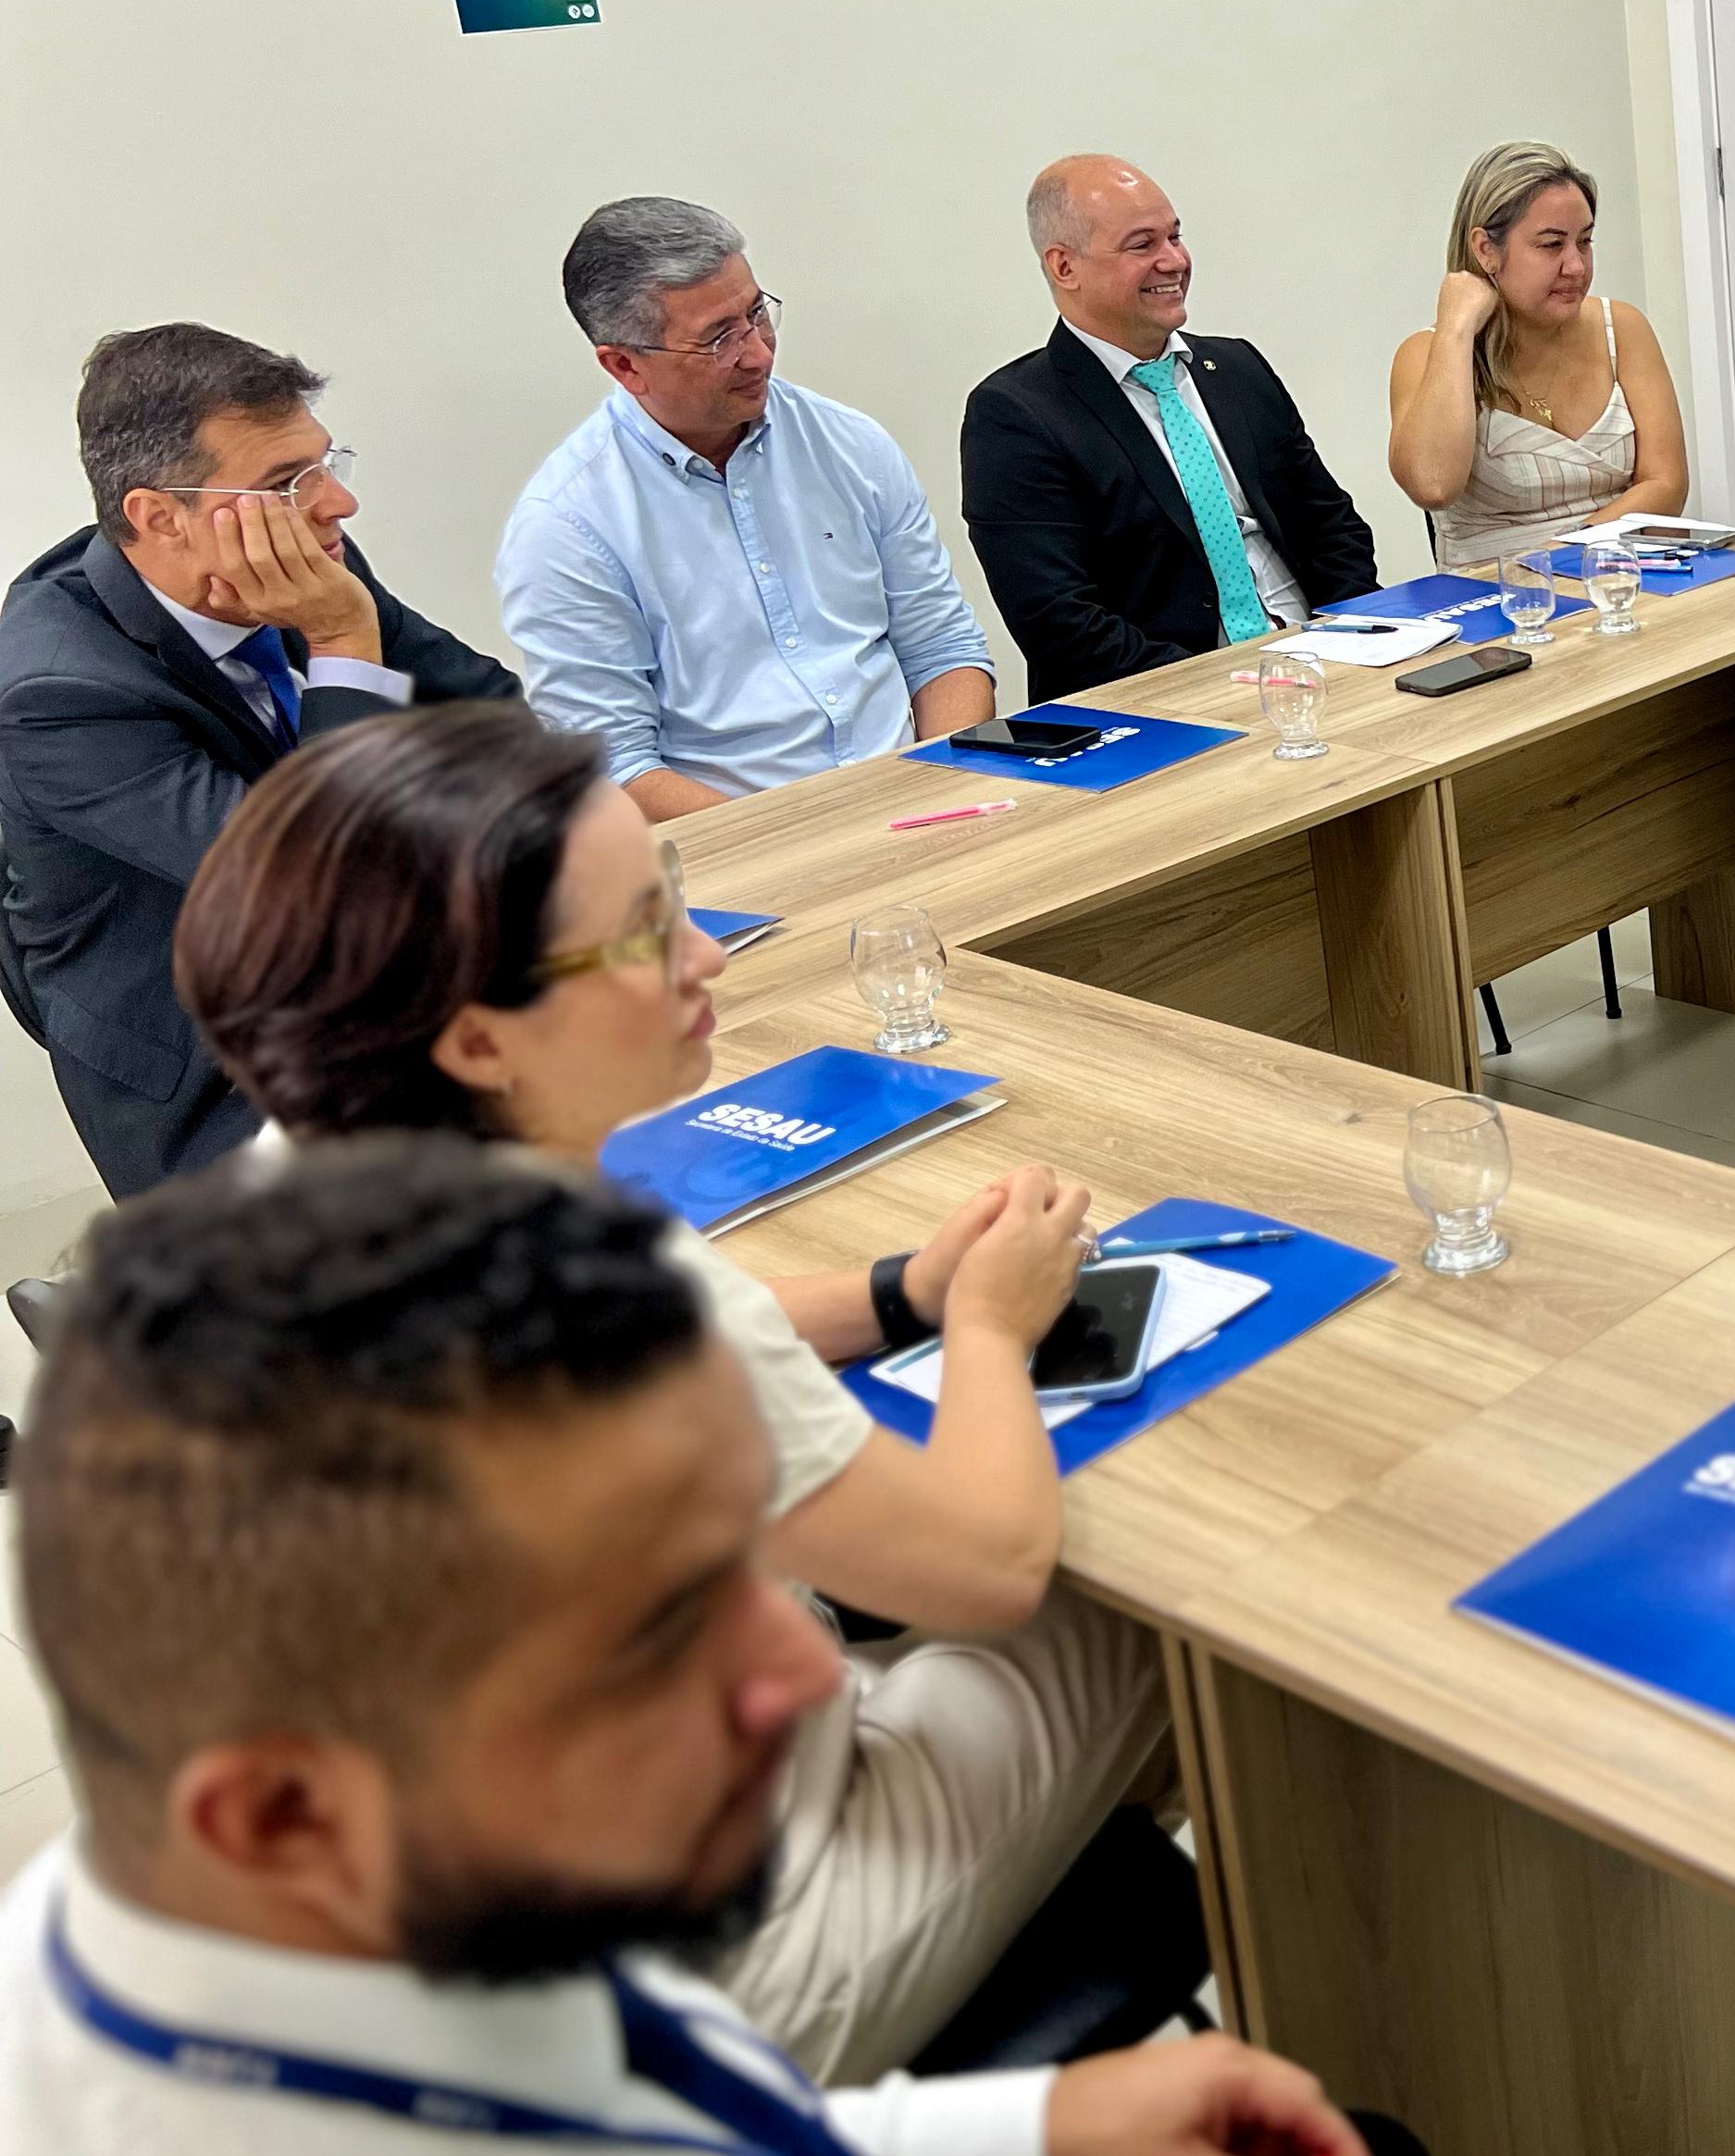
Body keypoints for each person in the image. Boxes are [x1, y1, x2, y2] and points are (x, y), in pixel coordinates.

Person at [0, 1138, 1451, 2156]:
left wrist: (1025, 2133)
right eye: (653, 1639)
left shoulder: (219, 1914)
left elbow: (614, 2119)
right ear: (281, 1811)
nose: (813, 1669)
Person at [174, 701, 1174, 2085]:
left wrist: (899, 1296)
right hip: (735, 1973)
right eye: (648, 935)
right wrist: (996, 1329)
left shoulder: (290, 1179)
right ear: (477, 1041)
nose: (706, 958)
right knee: (1176, 1619)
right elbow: (988, 1567)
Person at [0, 324, 516, 1196]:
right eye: (286, 483)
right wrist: (343, 642)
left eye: (325, 465)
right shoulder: (56, 693)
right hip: (232, 1087)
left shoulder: (295, 564)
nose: (336, 507)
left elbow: (503, 727)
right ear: (159, 517)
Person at [501, 197, 995, 815]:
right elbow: (619, 768)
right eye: (718, 339)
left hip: (919, 801)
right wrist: (798, 842)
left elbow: (942, 650)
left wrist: (939, 791)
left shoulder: (847, 443)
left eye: (756, 313)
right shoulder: (567, 527)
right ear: (624, 365)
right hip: (739, 852)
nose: (758, 352)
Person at [964, 156, 1381, 703]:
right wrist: (1223, 685)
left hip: (1323, 661)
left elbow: (1333, 527)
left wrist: (1350, 642)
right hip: (1170, 703)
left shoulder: (1237, 370)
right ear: (1065, 267)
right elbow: (1060, 623)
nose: (1174, 261)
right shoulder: (1015, 414)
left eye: (1176, 236)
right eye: (1143, 245)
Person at [1388, 140, 1692, 567]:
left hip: (1618, 576)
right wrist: (1456, 328)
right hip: (1497, 600)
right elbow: (1433, 486)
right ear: (1486, 250)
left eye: (1584, 242)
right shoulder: (1424, 354)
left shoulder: (1621, 327)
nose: (1577, 267)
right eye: (1552, 245)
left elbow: (1667, 483)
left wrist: (1572, 553)